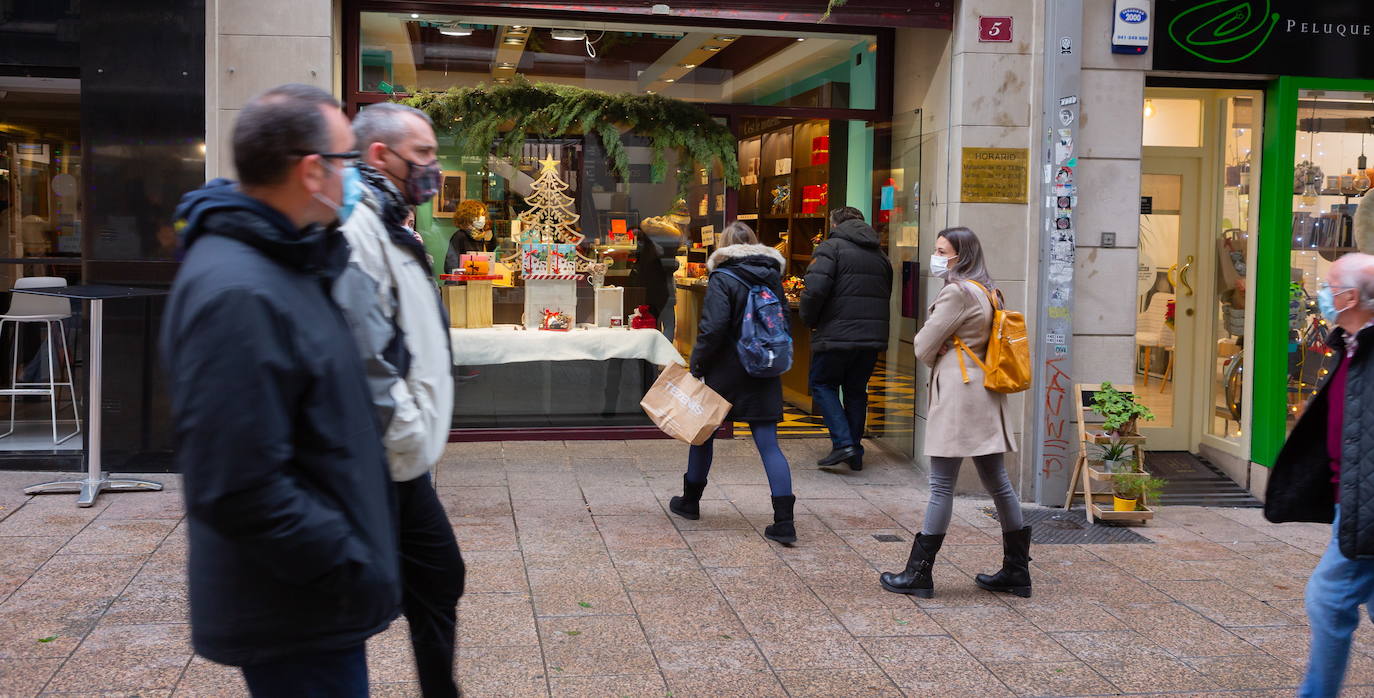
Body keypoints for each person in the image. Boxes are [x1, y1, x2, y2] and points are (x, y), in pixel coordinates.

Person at [161, 84, 399, 695]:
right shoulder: (240, 292)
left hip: (309, 599)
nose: (359, 177)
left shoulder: (289, 260)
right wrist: (349, 563)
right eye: (350, 162)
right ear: (312, 169)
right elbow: (238, 484)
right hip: (295, 607)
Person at [334, 102, 465, 698]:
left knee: (439, 576)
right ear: (380, 155)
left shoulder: (393, 219)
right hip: (385, 451)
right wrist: (407, 428)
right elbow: (365, 350)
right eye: (425, 156)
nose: (433, 168)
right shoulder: (357, 226)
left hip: (405, 455)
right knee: (364, 595)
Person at [878, 226, 1029, 598]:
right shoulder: (989, 291)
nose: (936, 254)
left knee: (942, 485)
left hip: (960, 396)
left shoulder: (957, 292)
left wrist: (939, 347)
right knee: (998, 482)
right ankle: (1017, 571)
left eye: (942, 250)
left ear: (960, 256)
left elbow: (922, 345)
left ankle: (919, 574)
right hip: (986, 393)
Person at [1267, 253, 1374, 698]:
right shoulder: (1351, 345)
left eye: (1330, 287)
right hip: (1350, 501)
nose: (1323, 295)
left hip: (1363, 506)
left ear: (1349, 297)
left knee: (1327, 599)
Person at [668, 221, 797, 544]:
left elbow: (713, 329)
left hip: (726, 368)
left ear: (723, 247)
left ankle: (690, 502)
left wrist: (697, 363)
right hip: (763, 368)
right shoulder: (772, 277)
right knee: (768, 443)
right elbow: (783, 320)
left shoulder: (722, 278)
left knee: (703, 435)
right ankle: (784, 520)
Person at [801, 207, 893, 471]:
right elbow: (886, 292)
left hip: (836, 333)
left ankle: (844, 443)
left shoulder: (831, 248)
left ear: (835, 223)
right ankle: (855, 452)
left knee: (822, 384)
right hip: (871, 337)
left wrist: (810, 320)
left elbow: (814, 291)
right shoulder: (880, 255)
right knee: (856, 390)